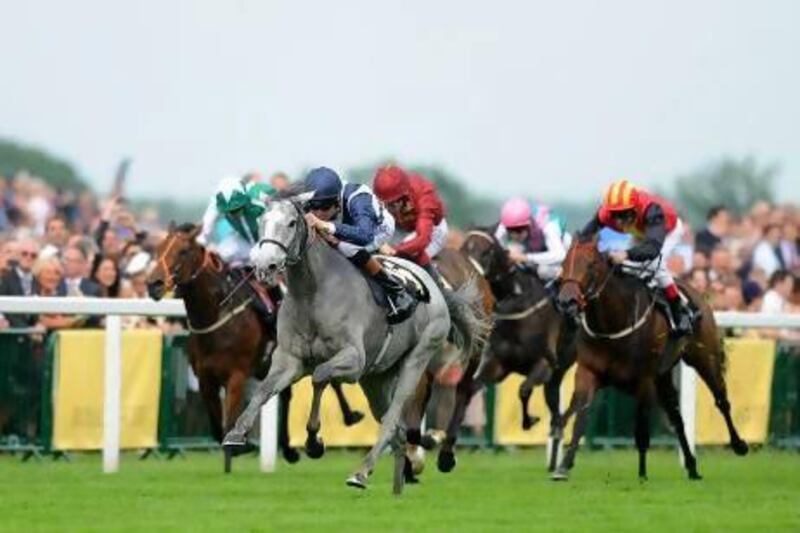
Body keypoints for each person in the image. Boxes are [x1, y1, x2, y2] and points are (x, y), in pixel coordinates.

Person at [577, 179, 695, 335]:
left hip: (666, 231)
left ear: (635, 208)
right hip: (640, 231)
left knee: (654, 265)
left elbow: (652, 249)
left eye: (624, 213)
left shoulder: (653, 210)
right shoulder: (605, 213)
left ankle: (680, 310)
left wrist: (627, 254)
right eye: (615, 214)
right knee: (625, 268)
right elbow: (584, 236)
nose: (619, 220)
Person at [302, 166, 415, 324]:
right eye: (313, 207)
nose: (318, 213)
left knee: (346, 248)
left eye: (325, 208)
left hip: (376, 229)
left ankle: (397, 292)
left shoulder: (358, 199)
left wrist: (326, 226)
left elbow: (365, 235)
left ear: (336, 202)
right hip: (348, 223)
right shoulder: (321, 194)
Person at [199, 176, 275, 266]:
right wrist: (201, 242)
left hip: (271, 239)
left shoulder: (258, 193)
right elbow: (206, 226)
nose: (233, 214)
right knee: (223, 252)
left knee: (256, 254)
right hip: (246, 239)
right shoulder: (217, 202)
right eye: (229, 211)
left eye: (236, 209)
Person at [494, 197, 568, 283]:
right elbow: (495, 246)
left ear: (529, 223)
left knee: (543, 271)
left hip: (561, 255)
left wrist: (525, 258)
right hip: (534, 251)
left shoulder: (549, 226)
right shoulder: (506, 224)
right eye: (510, 230)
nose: (515, 235)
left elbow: (560, 255)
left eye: (519, 230)